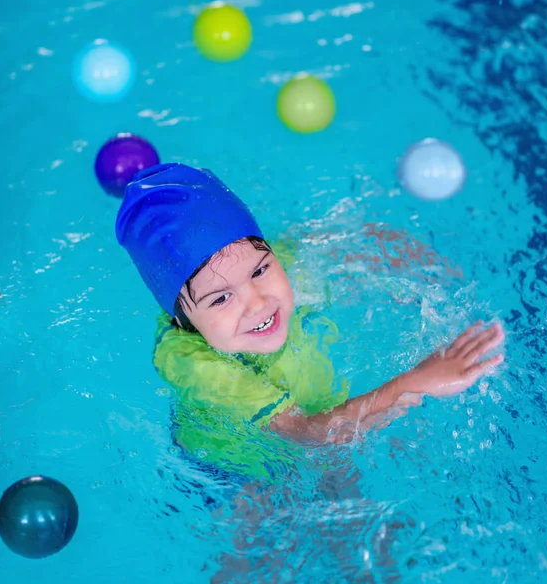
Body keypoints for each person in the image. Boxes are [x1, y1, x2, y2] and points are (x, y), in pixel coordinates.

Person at [116, 163, 505, 482]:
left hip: (322, 416)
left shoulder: (283, 266)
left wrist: (422, 268)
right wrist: (417, 380)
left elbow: (345, 241)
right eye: (221, 298)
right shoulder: (195, 364)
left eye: (260, 270)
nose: (258, 302)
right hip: (237, 469)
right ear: (181, 319)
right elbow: (307, 436)